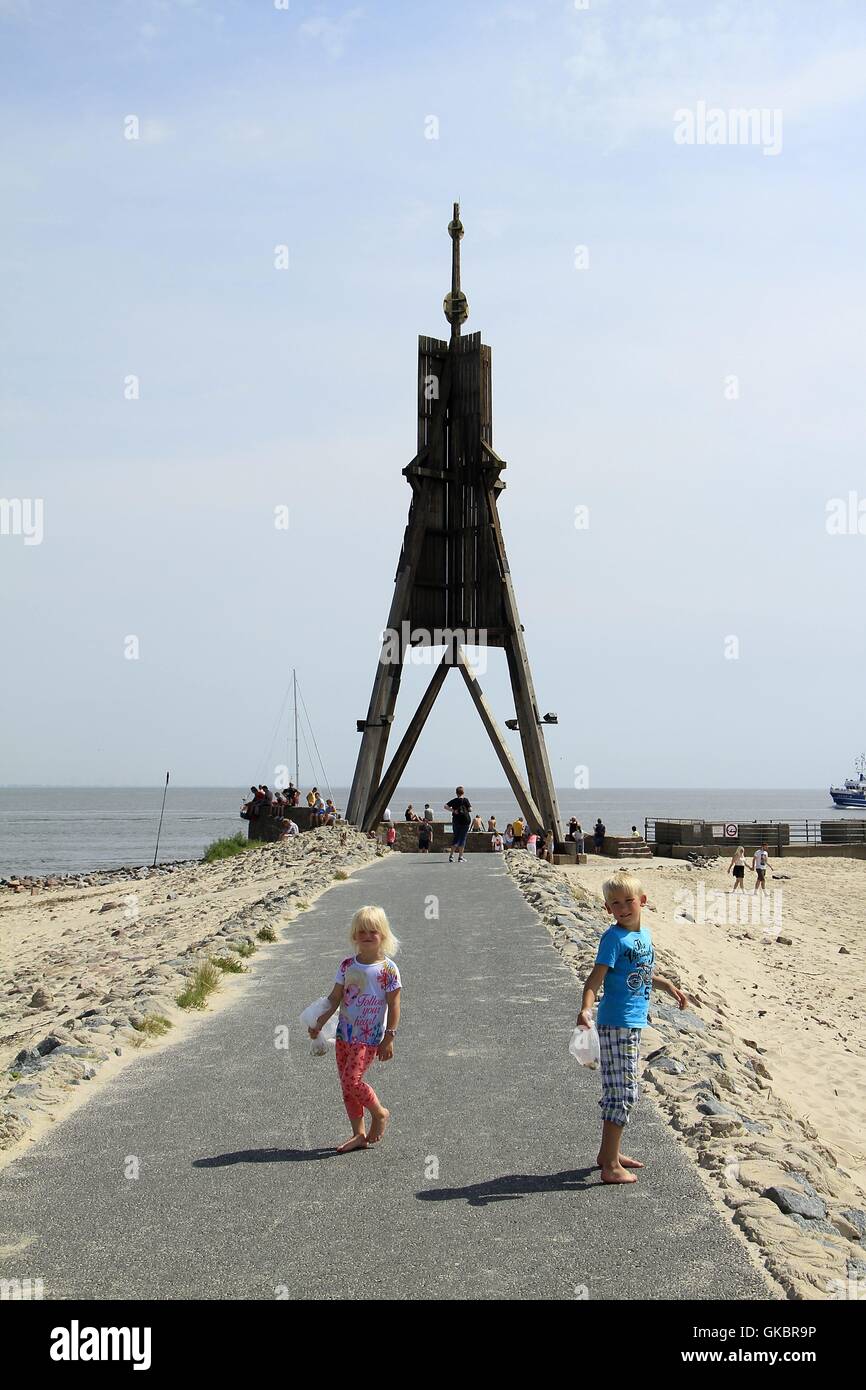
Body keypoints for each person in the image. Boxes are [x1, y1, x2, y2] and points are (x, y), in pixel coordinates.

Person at [576, 872, 688, 1185]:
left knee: (621, 1087)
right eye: (615, 904)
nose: (623, 907)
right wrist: (585, 1009)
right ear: (607, 908)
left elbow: (638, 973)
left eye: (628, 901)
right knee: (623, 1091)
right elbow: (594, 980)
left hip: (634, 1022)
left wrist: (668, 985)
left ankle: (607, 1154)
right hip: (616, 1022)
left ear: (643, 901)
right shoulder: (613, 939)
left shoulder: (644, 937)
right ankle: (610, 1166)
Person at [308, 905, 402, 1152]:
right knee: (346, 1086)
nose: (367, 936)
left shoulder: (388, 970)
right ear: (354, 936)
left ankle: (379, 1113)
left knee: (353, 1079)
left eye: (373, 931)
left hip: (368, 1037)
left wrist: (389, 1037)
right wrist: (318, 1022)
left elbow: (394, 1005)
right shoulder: (347, 965)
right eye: (361, 932)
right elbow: (334, 998)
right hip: (344, 1035)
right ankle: (358, 1134)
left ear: (383, 934)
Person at [445, 786, 472, 863]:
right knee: (462, 839)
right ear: (463, 792)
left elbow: (445, 806)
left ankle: (451, 856)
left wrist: (453, 810)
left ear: (456, 793)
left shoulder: (454, 800)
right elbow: (470, 809)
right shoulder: (465, 800)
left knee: (456, 838)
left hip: (456, 821)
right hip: (465, 822)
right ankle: (460, 857)